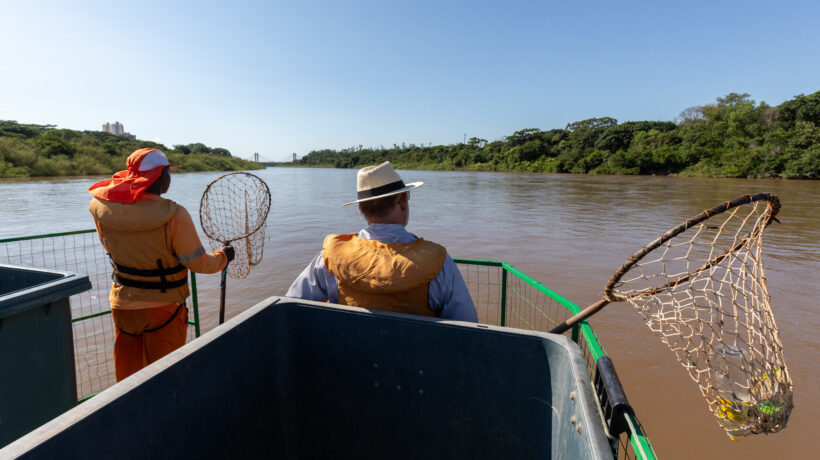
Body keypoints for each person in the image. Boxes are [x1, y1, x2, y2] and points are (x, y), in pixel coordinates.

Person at [88, 148, 235, 381]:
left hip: (122, 305)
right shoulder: (175, 215)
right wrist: (224, 256)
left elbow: (108, 247)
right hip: (164, 308)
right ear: (160, 176)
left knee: (127, 380)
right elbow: (199, 264)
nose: (169, 178)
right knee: (166, 377)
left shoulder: (101, 209)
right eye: (167, 172)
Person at [286, 161, 477, 322]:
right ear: (403, 201)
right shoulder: (439, 262)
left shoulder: (330, 257)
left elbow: (291, 305)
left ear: (360, 208)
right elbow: (467, 324)